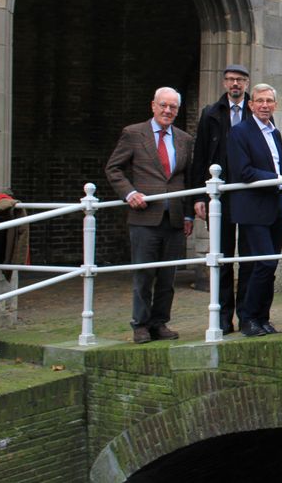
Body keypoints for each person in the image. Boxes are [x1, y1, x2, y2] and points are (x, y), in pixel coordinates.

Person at [106, 87, 194, 344]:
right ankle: (140, 324)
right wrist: (129, 192)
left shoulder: (184, 139)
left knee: (168, 276)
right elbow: (114, 168)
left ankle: (160, 322)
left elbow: (188, 180)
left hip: (175, 217)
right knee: (144, 274)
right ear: (153, 106)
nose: (168, 111)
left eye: (173, 107)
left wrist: (188, 215)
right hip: (145, 217)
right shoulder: (134, 134)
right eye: (163, 105)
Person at [188, 65, 252, 333]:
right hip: (220, 194)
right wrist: (200, 195)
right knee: (223, 256)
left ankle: (247, 314)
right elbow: (200, 156)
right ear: (225, 83)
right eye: (230, 80)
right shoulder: (211, 113)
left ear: (247, 83)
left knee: (249, 256)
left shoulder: (255, 109)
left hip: (249, 192)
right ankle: (224, 317)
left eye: (239, 80)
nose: (234, 84)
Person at [228, 84, 282, 337]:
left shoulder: (275, 133)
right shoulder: (240, 132)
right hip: (253, 207)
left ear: (275, 104)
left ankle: (263, 318)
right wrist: (279, 179)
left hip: (277, 206)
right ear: (251, 104)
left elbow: (281, 166)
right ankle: (248, 317)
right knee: (261, 263)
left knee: (270, 265)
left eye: (269, 101)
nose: (265, 105)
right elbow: (243, 171)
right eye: (259, 101)